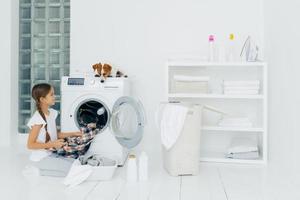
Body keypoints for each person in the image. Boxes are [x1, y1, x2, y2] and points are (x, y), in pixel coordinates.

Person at [26, 83, 82, 177]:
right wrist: (52, 144)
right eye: (51, 95)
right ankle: (38, 171)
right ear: (42, 99)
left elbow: (55, 134)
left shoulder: (51, 113)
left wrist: (74, 133)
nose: (54, 97)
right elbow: (30, 145)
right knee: (73, 171)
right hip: (40, 158)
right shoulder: (38, 119)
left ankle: (44, 169)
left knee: (77, 163)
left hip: (50, 153)